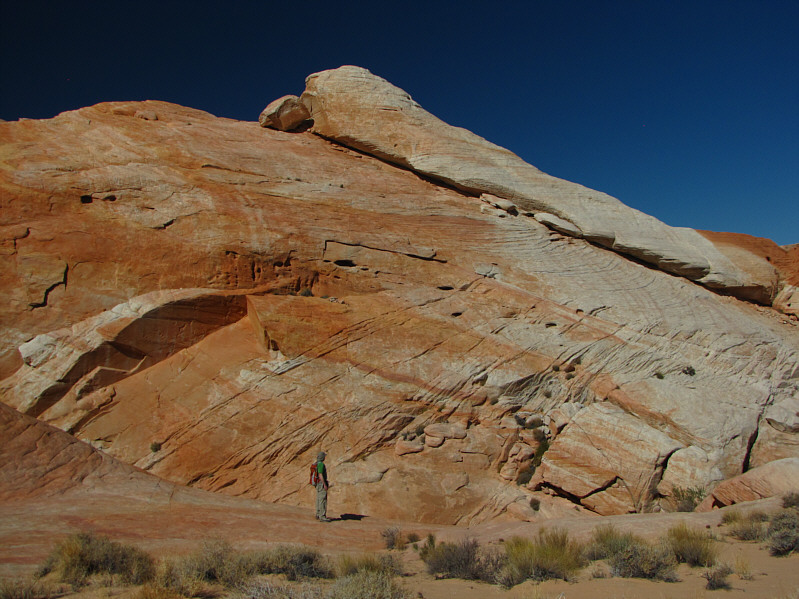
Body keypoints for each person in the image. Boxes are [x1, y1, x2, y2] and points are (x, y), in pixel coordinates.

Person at [315, 451, 331, 522]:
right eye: (324, 456)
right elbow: (320, 474)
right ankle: (322, 516)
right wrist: (324, 484)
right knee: (322, 499)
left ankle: (318, 514)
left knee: (318, 499)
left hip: (317, 484)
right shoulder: (321, 464)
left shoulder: (316, 463)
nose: (325, 457)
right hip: (321, 484)